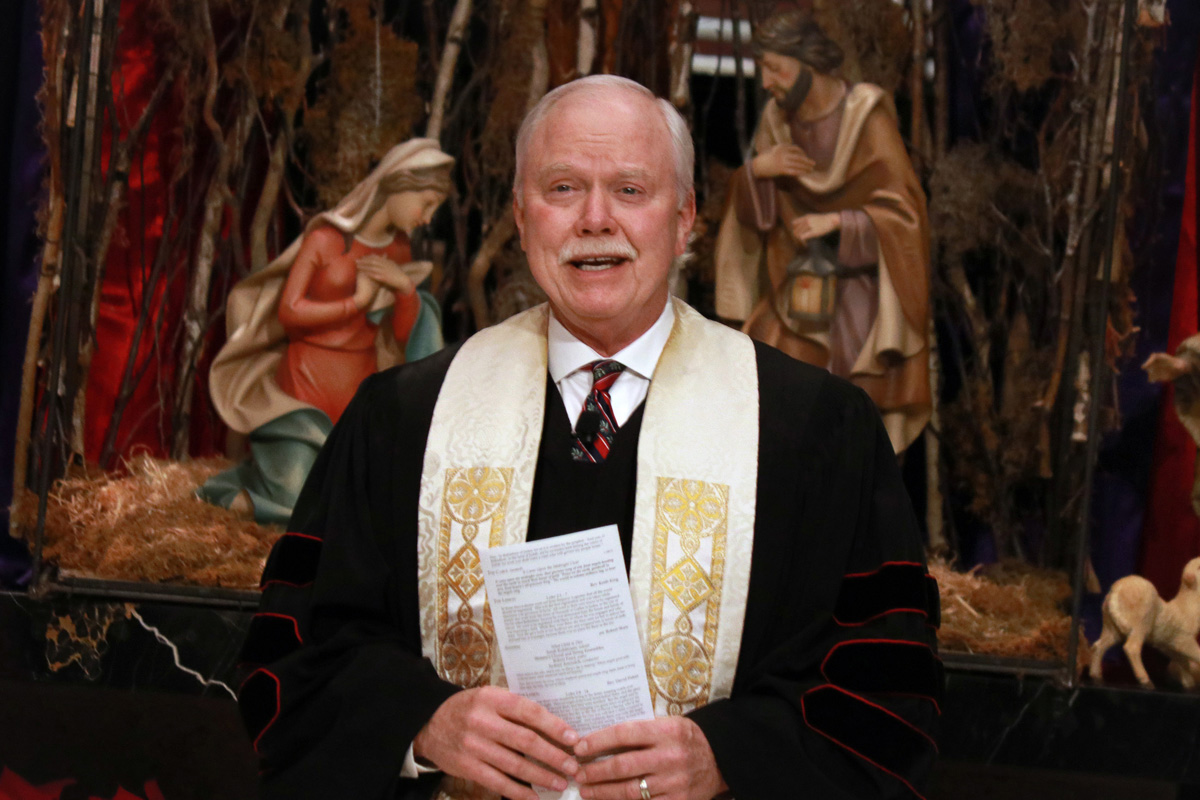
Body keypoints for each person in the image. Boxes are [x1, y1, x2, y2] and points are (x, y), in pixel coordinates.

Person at [237, 76, 941, 800]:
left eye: (631, 191)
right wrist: (422, 723)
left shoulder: (814, 432)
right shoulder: (403, 421)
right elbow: (295, 659)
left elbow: (887, 697)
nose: (595, 219)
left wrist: (725, 756)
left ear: (685, 218)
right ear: (520, 214)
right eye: (563, 188)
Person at [200, 139, 452, 523]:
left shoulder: (399, 252)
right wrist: (355, 303)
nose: (428, 218)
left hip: (357, 396)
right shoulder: (325, 239)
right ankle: (230, 496)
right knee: (296, 505)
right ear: (398, 185)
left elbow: (400, 337)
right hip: (304, 389)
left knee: (357, 507)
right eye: (427, 202)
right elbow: (289, 312)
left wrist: (404, 291)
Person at [714, 10, 932, 452]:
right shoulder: (777, 122)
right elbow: (756, 224)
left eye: (775, 69)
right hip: (794, 288)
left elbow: (905, 216)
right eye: (763, 70)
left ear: (807, 63)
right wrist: (757, 171)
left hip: (857, 295)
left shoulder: (865, 117)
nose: (767, 82)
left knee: (847, 413)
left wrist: (840, 223)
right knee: (765, 387)